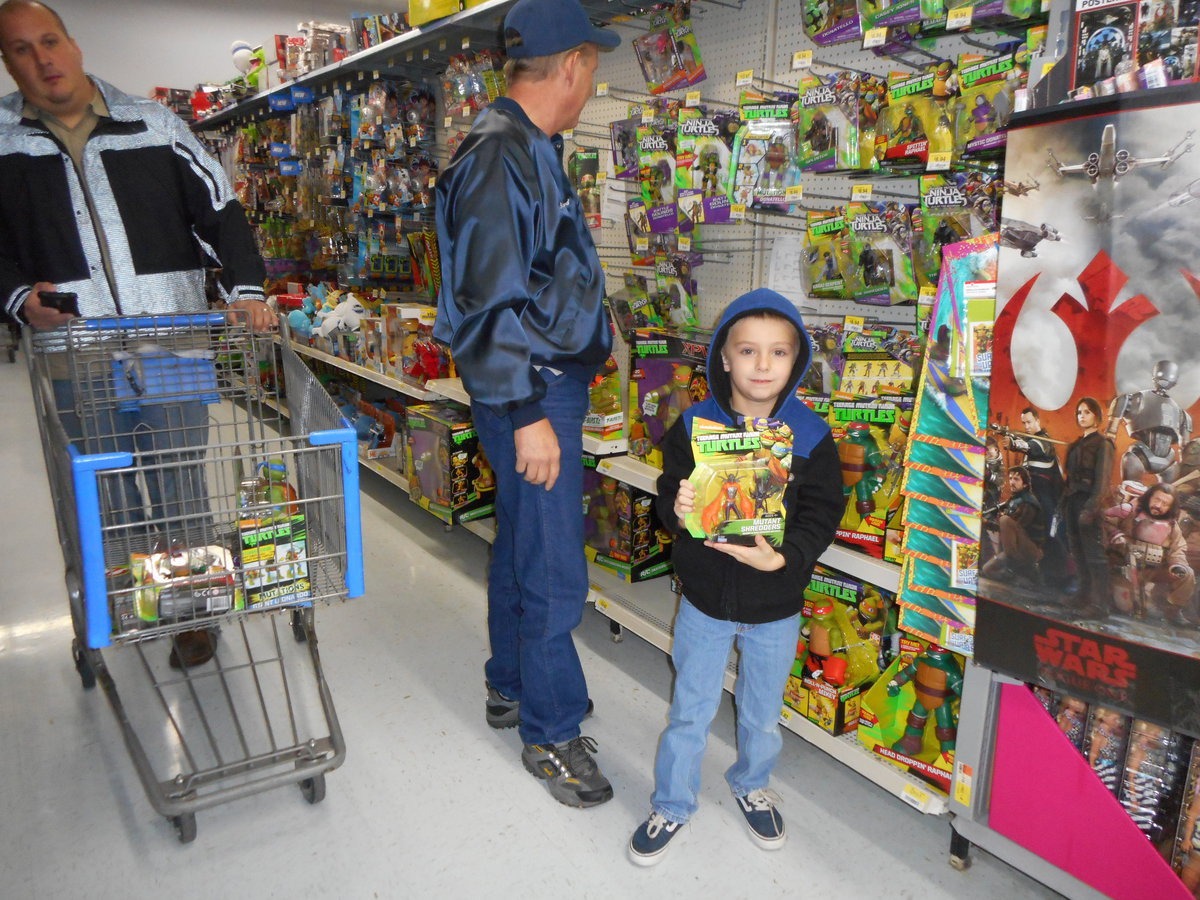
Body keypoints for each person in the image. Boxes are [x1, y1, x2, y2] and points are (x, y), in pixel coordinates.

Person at [0, 1, 273, 667]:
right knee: (108, 488)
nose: (42, 59)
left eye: (49, 40)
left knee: (180, 477)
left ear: (73, 43)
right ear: (7, 62)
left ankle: (193, 611)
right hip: (74, 352)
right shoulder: (3, 143)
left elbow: (222, 211)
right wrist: (15, 299)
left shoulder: (153, 124)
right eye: (20, 49)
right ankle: (135, 601)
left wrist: (247, 290)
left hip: (172, 341)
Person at [432, 0, 620, 809]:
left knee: (520, 545)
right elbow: (483, 300)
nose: (592, 80)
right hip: (530, 390)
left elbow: (534, 272)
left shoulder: (526, 144)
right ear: (573, 64)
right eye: (595, 66)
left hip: (538, 382)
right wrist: (529, 411)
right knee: (551, 567)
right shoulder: (501, 153)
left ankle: (510, 684)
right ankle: (551, 730)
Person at [628, 288, 843, 865]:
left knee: (762, 713)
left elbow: (824, 511)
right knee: (690, 709)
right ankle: (672, 802)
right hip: (703, 601)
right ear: (724, 357)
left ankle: (751, 783)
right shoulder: (693, 425)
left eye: (778, 352)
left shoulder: (811, 435)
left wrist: (786, 558)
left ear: (795, 362)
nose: (763, 365)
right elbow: (668, 503)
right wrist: (676, 505)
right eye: (748, 351)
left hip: (776, 603)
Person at [1103, 481, 1196, 623]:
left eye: (1165, 504)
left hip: (1154, 569)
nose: (1159, 506)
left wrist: (1177, 564)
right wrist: (1116, 535)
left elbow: (1178, 548)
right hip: (1126, 567)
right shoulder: (1130, 510)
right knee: (1125, 608)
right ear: (1149, 497)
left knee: (1186, 573)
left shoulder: (1171, 524)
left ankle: (1173, 611)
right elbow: (1105, 519)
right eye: (1157, 500)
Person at [1059, 397, 1114, 617]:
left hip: (1089, 501)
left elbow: (1102, 481)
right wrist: (1064, 503)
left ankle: (1100, 604)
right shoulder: (1075, 445)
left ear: (1097, 417)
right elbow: (1070, 477)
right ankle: (1082, 596)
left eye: (1087, 412)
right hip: (1072, 501)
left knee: (1094, 554)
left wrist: (1091, 508)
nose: (1082, 416)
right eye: (1079, 412)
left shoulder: (1103, 444)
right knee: (1077, 552)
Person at [981, 465, 1044, 582]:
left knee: (1004, 520)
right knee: (987, 570)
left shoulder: (1028, 503)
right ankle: (1015, 577)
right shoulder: (1014, 499)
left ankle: (1019, 566)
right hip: (1015, 548)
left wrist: (989, 523)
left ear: (1025, 484)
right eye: (1010, 478)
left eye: (1016, 479)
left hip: (1029, 549)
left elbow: (1016, 528)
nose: (1011, 482)